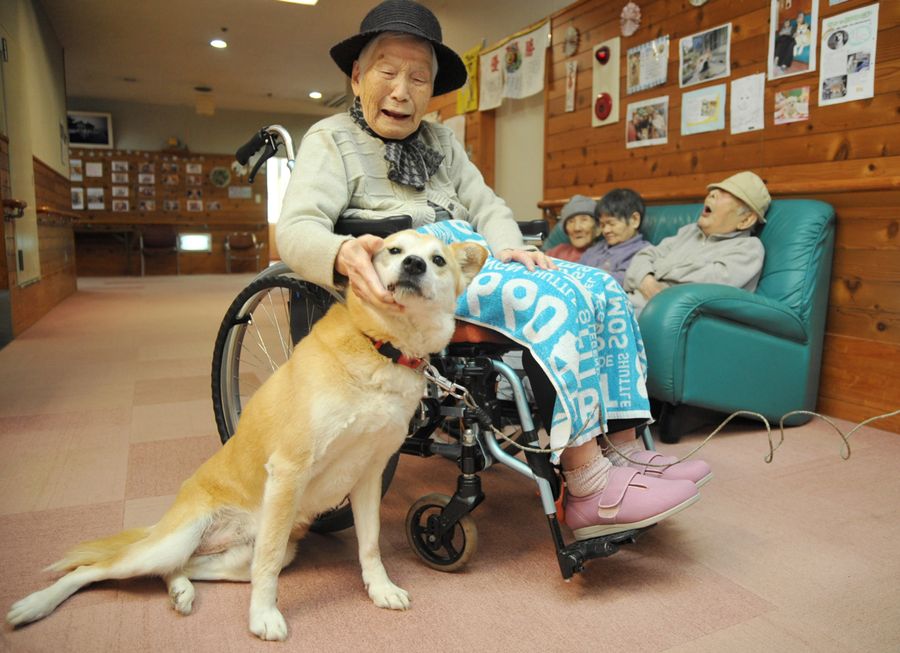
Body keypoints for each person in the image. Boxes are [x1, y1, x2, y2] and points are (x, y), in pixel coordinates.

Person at [277, 0, 705, 540]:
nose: (402, 90)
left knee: (602, 287)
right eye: (387, 72)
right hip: (411, 271)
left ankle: (619, 451)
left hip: (469, 256)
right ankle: (588, 483)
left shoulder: (441, 141)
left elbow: (485, 203)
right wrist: (340, 254)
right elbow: (295, 229)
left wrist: (509, 247)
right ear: (358, 76)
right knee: (557, 304)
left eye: (419, 78)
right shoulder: (331, 139)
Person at [623, 171, 770, 317]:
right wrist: (648, 281)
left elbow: (703, 287)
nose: (712, 193)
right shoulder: (689, 232)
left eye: (726, 193)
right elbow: (642, 257)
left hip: (658, 316)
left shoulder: (748, 248)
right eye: (715, 190)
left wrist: (656, 269)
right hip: (627, 304)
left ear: (746, 220)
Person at [579, 188, 650, 286]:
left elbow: (626, 280)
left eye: (611, 223)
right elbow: (576, 268)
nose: (605, 231)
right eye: (602, 225)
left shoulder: (644, 252)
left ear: (634, 220)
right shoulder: (596, 249)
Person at [544, 194, 599, 262]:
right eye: (571, 221)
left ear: (598, 229)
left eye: (584, 220)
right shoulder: (557, 252)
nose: (577, 228)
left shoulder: (606, 255)